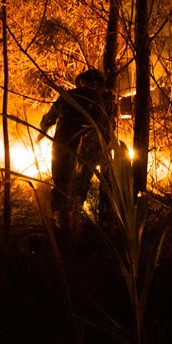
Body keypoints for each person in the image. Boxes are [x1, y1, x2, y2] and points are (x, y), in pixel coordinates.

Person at [37, 69, 111, 231]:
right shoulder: (105, 100)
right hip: (91, 143)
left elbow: (49, 118)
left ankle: (59, 220)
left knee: (61, 179)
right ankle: (74, 215)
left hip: (65, 141)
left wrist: (41, 132)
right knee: (82, 180)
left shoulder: (68, 95)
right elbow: (107, 127)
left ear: (83, 81)